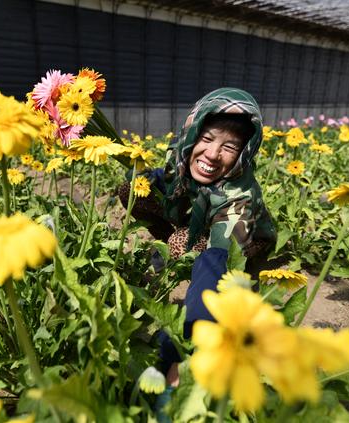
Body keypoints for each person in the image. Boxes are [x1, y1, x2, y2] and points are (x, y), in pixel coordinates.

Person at [119, 88, 277, 385]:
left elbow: (216, 266)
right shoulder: (181, 153)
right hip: (202, 217)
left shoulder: (239, 198)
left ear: (243, 154)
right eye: (206, 139)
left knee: (200, 257)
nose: (213, 154)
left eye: (230, 148)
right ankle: (170, 243)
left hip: (248, 234)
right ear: (192, 135)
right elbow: (161, 176)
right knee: (134, 191)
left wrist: (188, 337)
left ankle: (181, 247)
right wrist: (145, 178)